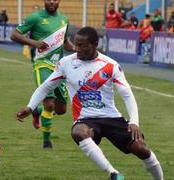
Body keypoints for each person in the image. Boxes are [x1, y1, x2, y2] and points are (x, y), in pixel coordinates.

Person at [16, 27, 164, 180]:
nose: (77, 49)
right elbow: (46, 86)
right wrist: (30, 107)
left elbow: (127, 94)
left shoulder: (110, 65)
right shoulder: (66, 63)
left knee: (141, 149)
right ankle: (113, 173)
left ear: (95, 44)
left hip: (111, 117)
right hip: (85, 119)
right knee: (79, 132)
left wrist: (134, 122)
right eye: (76, 44)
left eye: (82, 45)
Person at [11, 0, 74, 149]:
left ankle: (37, 111)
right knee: (49, 104)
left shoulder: (64, 19)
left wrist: (77, 49)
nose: (52, 1)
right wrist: (33, 42)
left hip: (59, 67)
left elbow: (65, 42)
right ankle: (47, 142)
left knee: (61, 109)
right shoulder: (35, 17)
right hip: (42, 64)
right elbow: (14, 35)